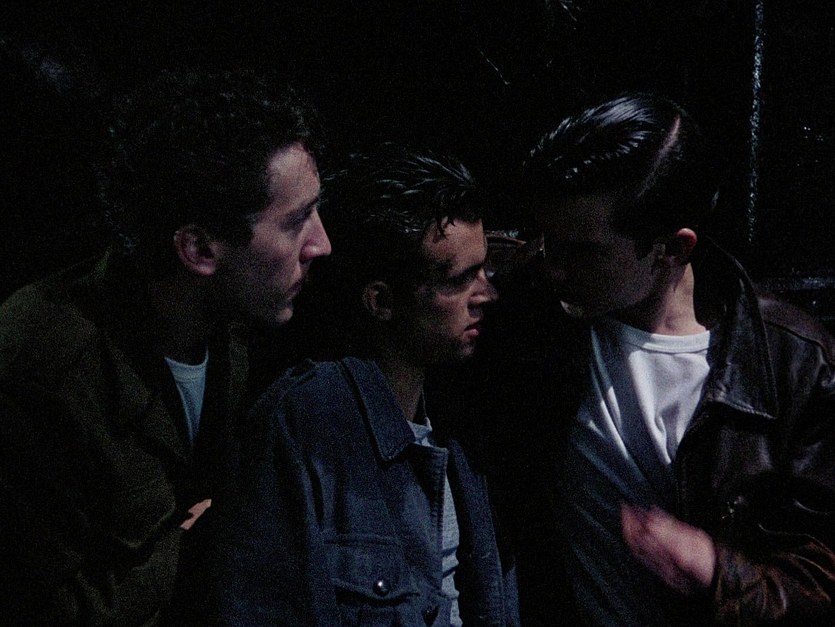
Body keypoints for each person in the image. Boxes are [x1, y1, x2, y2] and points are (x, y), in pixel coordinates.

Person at [487, 93, 835, 624]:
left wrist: (716, 573)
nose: (552, 266)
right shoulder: (531, 317)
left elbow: (820, 583)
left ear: (673, 249)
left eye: (583, 251)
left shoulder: (794, 363)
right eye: (547, 239)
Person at [0, 69, 331, 624]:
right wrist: (201, 537)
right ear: (198, 249)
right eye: (296, 221)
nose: (321, 244)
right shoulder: (41, 375)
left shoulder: (235, 323)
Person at [193, 146, 519, 625]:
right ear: (381, 301)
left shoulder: (464, 419)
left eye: (485, 269)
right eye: (459, 279)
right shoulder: (303, 425)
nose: (486, 293)